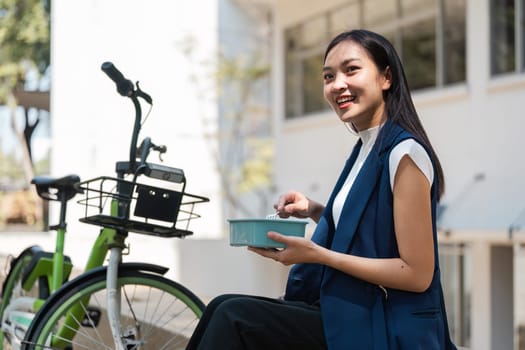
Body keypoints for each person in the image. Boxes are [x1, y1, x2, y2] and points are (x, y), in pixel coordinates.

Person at [186, 29, 457, 350]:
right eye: (329, 76)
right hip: (353, 310)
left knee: (234, 316)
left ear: (386, 78)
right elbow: (369, 223)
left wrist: (318, 255)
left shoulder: (405, 153)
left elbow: (416, 274)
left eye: (351, 70)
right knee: (222, 305)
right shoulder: (366, 147)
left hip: (384, 326)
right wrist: (313, 209)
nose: (337, 84)